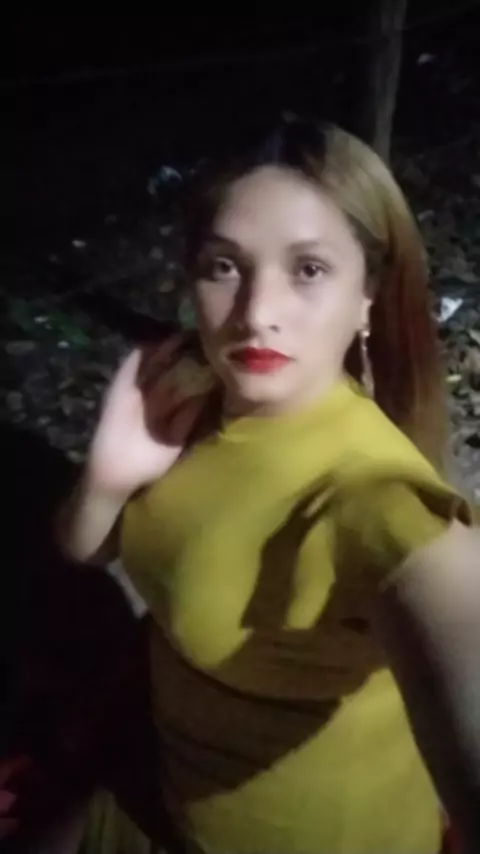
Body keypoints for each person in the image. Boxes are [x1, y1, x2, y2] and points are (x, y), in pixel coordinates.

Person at [54, 118, 479, 853]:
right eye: (224, 266)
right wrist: (108, 478)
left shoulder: (379, 504)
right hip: (160, 786)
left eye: (308, 269)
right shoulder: (189, 391)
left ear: (368, 297)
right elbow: (83, 549)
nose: (256, 314)